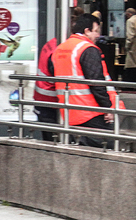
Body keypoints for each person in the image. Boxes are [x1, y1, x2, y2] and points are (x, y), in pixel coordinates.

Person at [53, 13, 125, 147]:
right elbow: (97, 82)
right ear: (87, 31)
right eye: (96, 31)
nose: (98, 35)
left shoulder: (60, 49)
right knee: (107, 150)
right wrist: (108, 108)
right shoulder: (87, 49)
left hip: (70, 112)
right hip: (91, 111)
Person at [33, 38, 58, 141]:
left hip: (42, 100)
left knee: (48, 141)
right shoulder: (60, 47)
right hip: (52, 103)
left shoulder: (51, 43)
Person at [124, 8, 136, 82]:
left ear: (129, 14)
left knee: (131, 66)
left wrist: (127, 46)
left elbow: (130, 36)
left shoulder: (130, 21)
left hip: (133, 47)